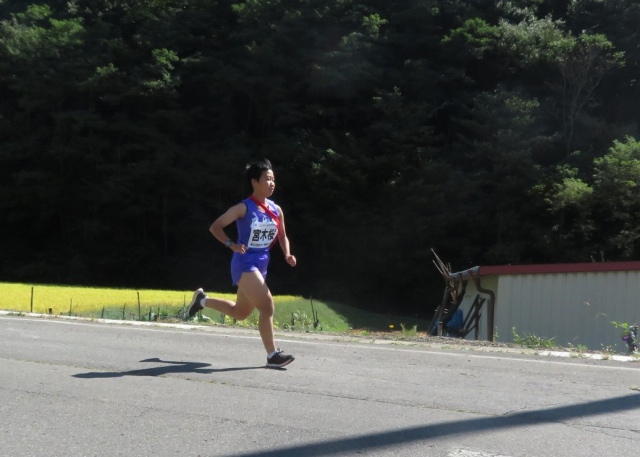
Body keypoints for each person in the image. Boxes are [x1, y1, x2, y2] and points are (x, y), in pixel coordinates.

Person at [186, 159, 297, 368]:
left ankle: (201, 300)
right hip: (245, 263)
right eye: (267, 179)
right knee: (267, 306)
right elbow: (215, 227)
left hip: (262, 264)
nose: (272, 183)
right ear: (254, 182)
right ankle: (272, 355)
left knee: (240, 312)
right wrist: (231, 244)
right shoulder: (243, 208)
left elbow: (282, 236)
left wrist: (287, 254)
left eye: (273, 179)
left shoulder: (276, 209)